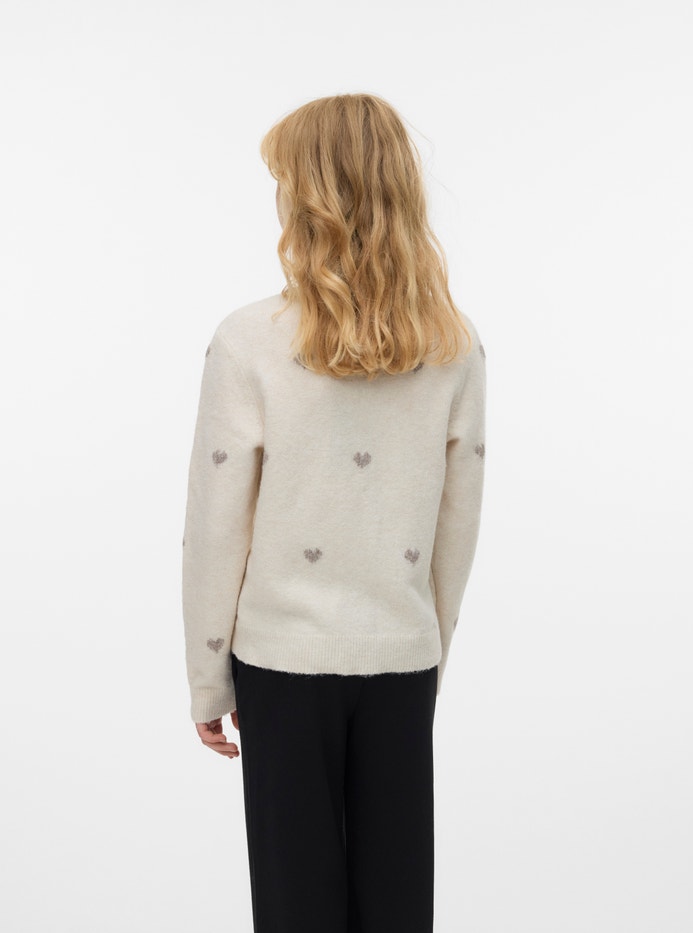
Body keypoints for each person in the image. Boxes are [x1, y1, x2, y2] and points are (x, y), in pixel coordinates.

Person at [181, 92, 487, 933]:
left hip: (280, 665)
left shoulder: (248, 339)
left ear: (308, 197)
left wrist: (208, 675)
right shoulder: (454, 343)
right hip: (402, 657)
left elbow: (216, 522)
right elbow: (457, 526)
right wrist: (426, 650)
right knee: (397, 905)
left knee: (295, 907)